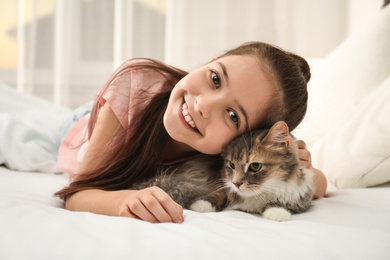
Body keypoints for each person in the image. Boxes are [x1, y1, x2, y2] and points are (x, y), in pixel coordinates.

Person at [55, 41, 327, 223]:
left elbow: (321, 185)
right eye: (215, 79)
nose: (202, 105)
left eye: (233, 116)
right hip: (93, 122)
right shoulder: (135, 85)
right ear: (211, 61)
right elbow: (77, 194)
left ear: (243, 141)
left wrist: (296, 168)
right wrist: (123, 200)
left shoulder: (229, 164)